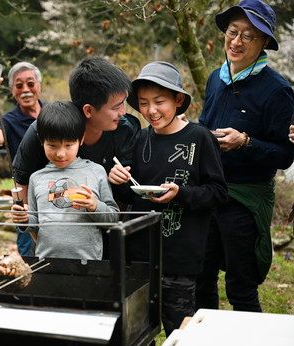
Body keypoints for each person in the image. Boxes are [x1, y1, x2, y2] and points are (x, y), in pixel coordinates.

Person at [195, 0, 294, 313]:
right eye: (232, 32)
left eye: (248, 36)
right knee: (201, 279)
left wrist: (246, 142)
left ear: (264, 42)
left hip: (245, 199)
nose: (236, 41)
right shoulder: (215, 79)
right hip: (209, 193)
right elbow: (204, 126)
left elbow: (285, 155)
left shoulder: (277, 90)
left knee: (241, 287)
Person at [116, 61, 228, 336]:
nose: (151, 111)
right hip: (142, 254)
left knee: (179, 329)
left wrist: (182, 194)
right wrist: (116, 180)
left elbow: (218, 193)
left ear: (178, 100)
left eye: (159, 101)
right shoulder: (141, 138)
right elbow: (129, 192)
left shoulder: (199, 137)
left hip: (181, 257)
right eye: (143, 103)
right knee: (139, 329)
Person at [12, 57, 140, 258]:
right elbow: (21, 181)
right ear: (88, 110)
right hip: (47, 233)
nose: (123, 112)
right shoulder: (46, 128)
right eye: (116, 107)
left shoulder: (126, 129)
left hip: (97, 231)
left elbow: (121, 203)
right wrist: (31, 229)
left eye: (123, 104)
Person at [12, 101, 119, 259]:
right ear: (42, 141)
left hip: (89, 264)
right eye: (52, 145)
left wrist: (95, 206)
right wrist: (24, 219)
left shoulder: (96, 172)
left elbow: (113, 218)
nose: (60, 154)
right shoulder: (36, 178)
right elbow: (34, 223)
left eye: (68, 145)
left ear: (81, 139)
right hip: (45, 262)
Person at [0, 61, 44, 255]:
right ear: (12, 90)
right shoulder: (10, 120)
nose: (25, 90)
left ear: (39, 86)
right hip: (24, 193)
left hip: (52, 189)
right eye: (19, 85)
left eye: (30, 84)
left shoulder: (52, 112)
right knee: (27, 248)